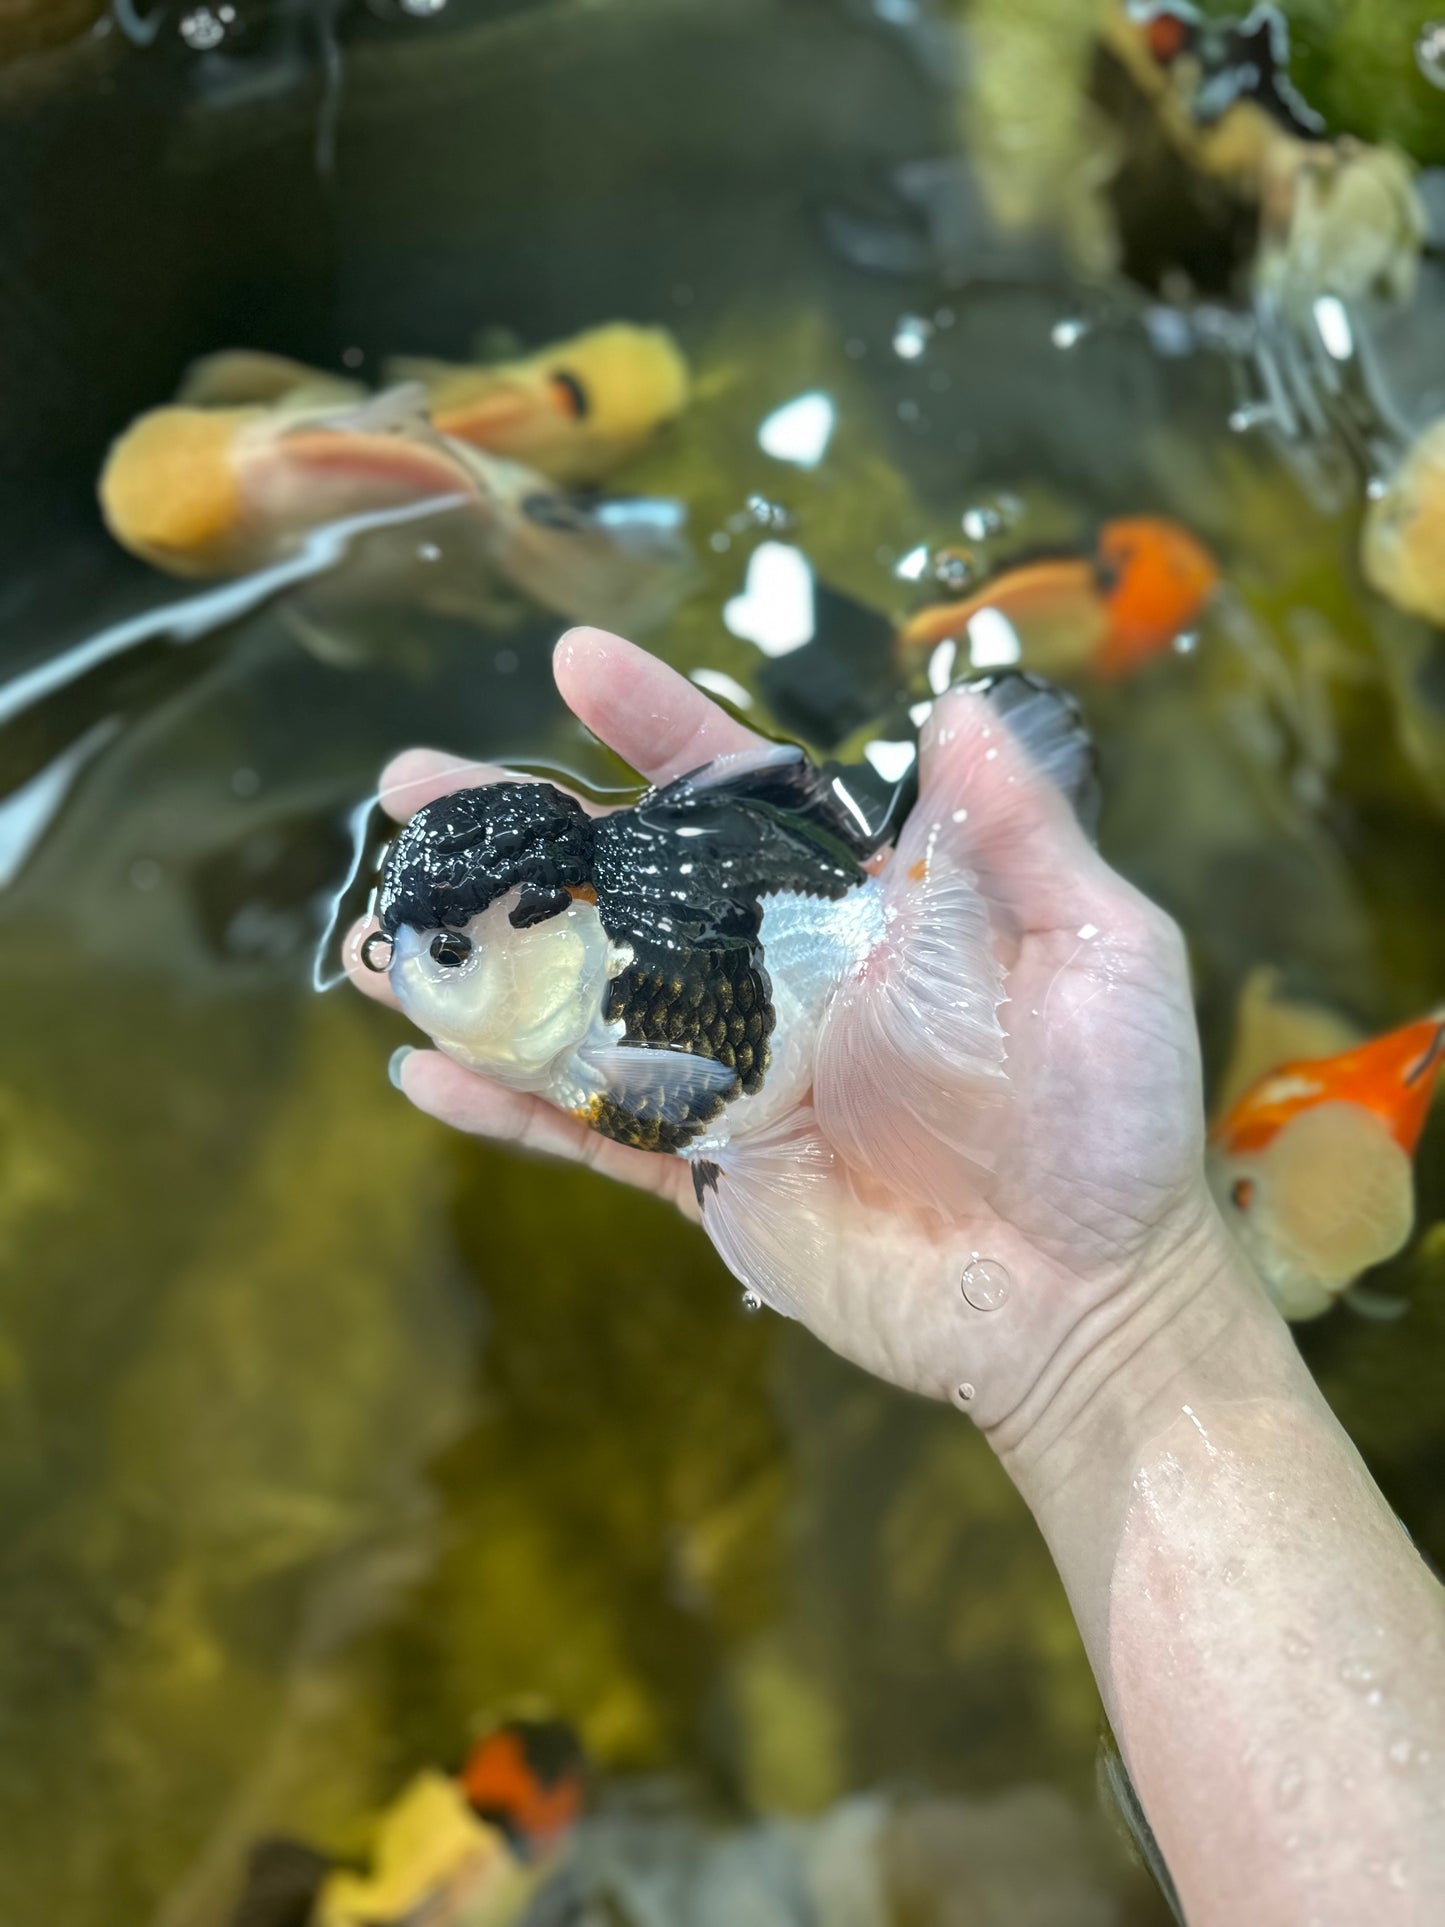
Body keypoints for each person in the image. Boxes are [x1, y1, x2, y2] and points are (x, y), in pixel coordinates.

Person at [348, 627, 1445, 1925]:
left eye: (450, 956)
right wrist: (1123, 1335)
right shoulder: (600, 984)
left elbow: (685, 1103)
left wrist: (1115, 1312)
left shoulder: (640, 1002)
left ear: (556, 920)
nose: (408, 972)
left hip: (824, 968)